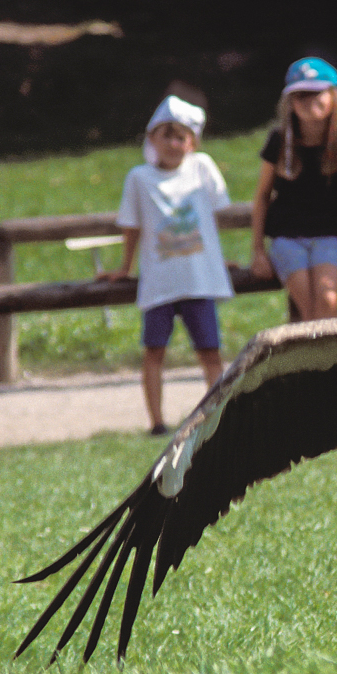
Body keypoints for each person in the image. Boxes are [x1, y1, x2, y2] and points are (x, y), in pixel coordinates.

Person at [101, 95, 231, 437]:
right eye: (166, 136)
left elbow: (214, 217)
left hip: (199, 280)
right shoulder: (139, 178)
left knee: (210, 352)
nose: (174, 144)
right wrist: (125, 267)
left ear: (192, 142)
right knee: (154, 350)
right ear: (151, 139)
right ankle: (156, 421)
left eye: (181, 137)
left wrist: (219, 259)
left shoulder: (202, 168)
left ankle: (216, 417)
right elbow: (132, 227)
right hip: (160, 282)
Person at [249, 57, 337, 320]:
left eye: (317, 93)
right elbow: (262, 196)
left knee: (328, 300)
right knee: (307, 305)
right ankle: (316, 362)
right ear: (290, 103)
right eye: (300, 96)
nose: (309, 102)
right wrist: (258, 250)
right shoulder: (278, 140)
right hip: (287, 236)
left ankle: (332, 361)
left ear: (333, 97)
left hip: (329, 235)